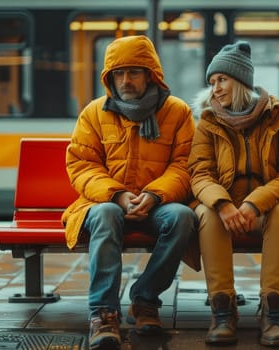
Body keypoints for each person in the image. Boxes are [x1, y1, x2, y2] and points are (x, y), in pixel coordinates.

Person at [61, 35, 198, 350]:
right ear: (108, 77)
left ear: (151, 74)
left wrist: (154, 196)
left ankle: (145, 299)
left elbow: (185, 166)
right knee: (108, 215)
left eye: (134, 72)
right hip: (104, 203)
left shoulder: (177, 112)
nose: (125, 80)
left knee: (182, 216)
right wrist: (118, 196)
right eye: (118, 73)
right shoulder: (95, 113)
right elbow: (81, 165)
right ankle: (103, 314)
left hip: (158, 203)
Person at [187, 41, 279, 347]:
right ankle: (222, 311)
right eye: (212, 82)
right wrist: (224, 204)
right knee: (206, 213)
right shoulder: (208, 122)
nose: (215, 88)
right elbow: (200, 173)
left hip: (270, 207)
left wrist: (254, 203)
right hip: (226, 211)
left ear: (241, 81)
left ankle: (273, 314)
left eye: (222, 80)